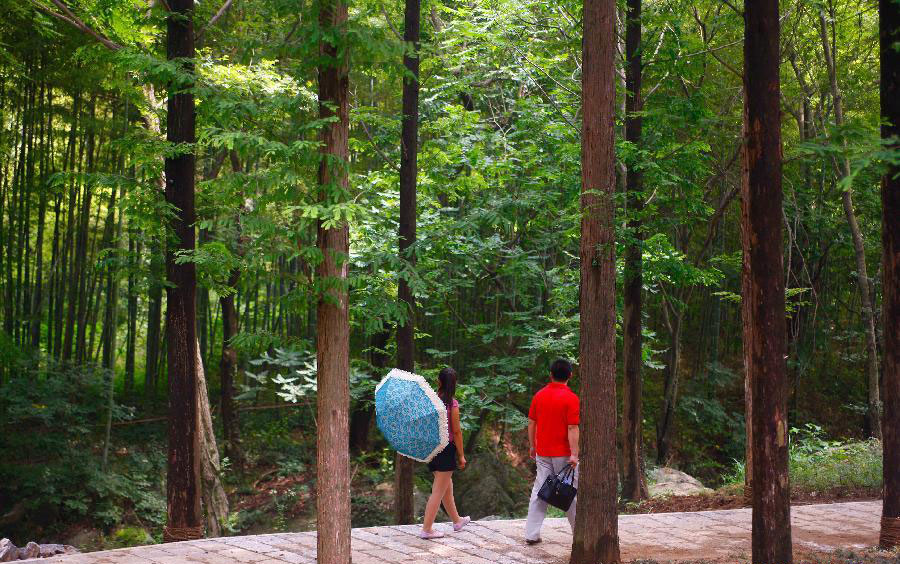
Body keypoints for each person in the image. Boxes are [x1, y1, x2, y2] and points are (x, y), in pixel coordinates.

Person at [524, 358, 579, 545]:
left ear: (551, 375)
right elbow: (572, 428)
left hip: (543, 451)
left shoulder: (539, 395)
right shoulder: (572, 399)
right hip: (564, 453)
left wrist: (533, 445)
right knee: (569, 492)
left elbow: (532, 423)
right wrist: (574, 453)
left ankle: (531, 534)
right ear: (570, 375)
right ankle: (579, 534)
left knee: (540, 491)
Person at [420, 366, 471, 539]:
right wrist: (461, 455)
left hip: (433, 449)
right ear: (454, 384)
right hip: (446, 450)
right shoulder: (452, 404)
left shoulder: (431, 400)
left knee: (446, 487)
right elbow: (456, 432)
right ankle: (427, 530)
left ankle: (457, 521)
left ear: (439, 382)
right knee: (438, 491)